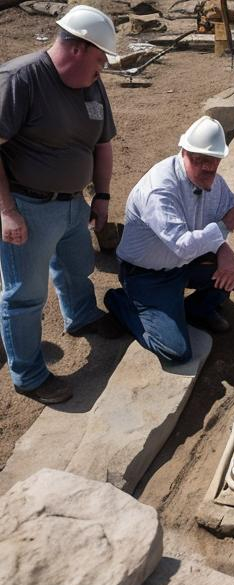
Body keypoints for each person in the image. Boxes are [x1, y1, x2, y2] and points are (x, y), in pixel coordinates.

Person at [0, 5, 122, 405]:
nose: (102, 68)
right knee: (24, 296)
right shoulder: (21, 79)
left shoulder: (90, 83)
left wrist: (101, 195)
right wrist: (6, 211)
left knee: (76, 269)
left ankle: (82, 317)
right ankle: (29, 375)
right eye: (101, 59)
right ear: (78, 49)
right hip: (27, 206)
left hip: (73, 203)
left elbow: (101, 143)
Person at [105, 116, 234, 364]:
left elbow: (230, 211)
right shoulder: (160, 189)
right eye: (199, 160)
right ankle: (121, 302)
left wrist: (225, 251)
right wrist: (226, 225)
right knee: (175, 351)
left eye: (214, 160)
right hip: (147, 275)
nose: (207, 167)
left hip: (184, 265)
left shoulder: (214, 182)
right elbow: (183, 246)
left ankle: (197, 309)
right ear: (183, 152)